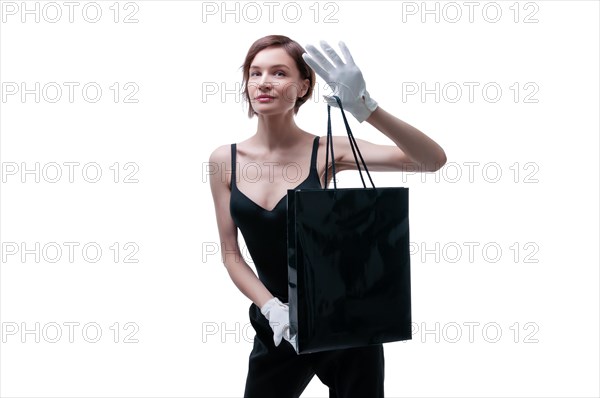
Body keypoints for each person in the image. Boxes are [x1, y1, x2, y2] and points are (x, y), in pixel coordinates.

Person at [209, 34, 447, 398]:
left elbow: (431, 160)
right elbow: (230, 253)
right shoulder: (224, 161)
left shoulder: (326, 151)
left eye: (278, 73)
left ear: (304, 86)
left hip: (345, 323)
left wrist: (366, 108)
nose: (263, 83)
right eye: (254, 73)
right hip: (277, 326)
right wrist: (269, 307)